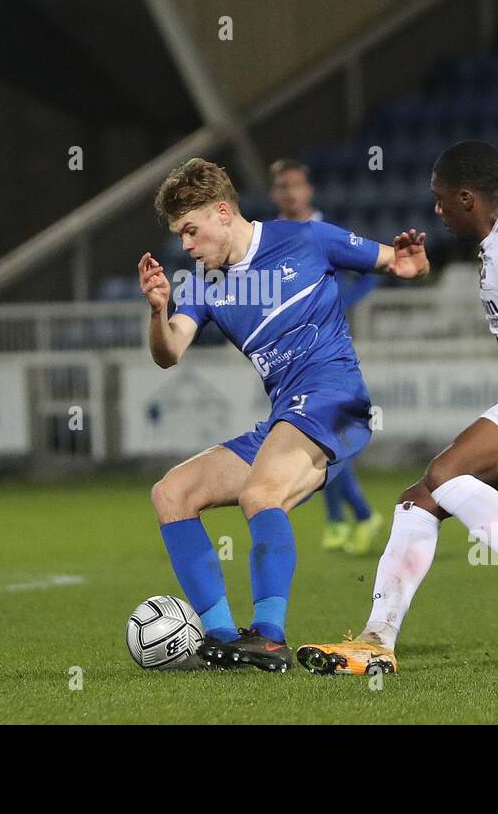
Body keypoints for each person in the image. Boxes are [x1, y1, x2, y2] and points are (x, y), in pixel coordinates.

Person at [296, 140, 498, 674]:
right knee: (418, 500)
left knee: (446, 473)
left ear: (467, 198)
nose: (437, 209)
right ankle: (377, 640)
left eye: (441, 198)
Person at [138, 157, 429, 671]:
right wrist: (158, 310)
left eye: (190, 230)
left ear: (223, 213)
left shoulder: (307, 238)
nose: (185, 245)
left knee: (260, 492)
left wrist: (412, 263)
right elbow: (169, 353)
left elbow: (401, 263)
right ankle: (227, 639)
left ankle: (268, 636)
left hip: (334, 398)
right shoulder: (203, 283)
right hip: (286, 415)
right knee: (171, 493)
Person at [269, 158, 384, 555]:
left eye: (295, 185)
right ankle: (340, 520)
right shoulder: (272, 237)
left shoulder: (325, 233)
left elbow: (370, 269)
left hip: (329, 352)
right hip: (291, 355)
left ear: (309, 190)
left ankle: (360, 516)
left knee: (321, 439)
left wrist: (343, 301)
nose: (289, 193)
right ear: (274, 194)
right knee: (316, 441)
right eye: (282, 187)